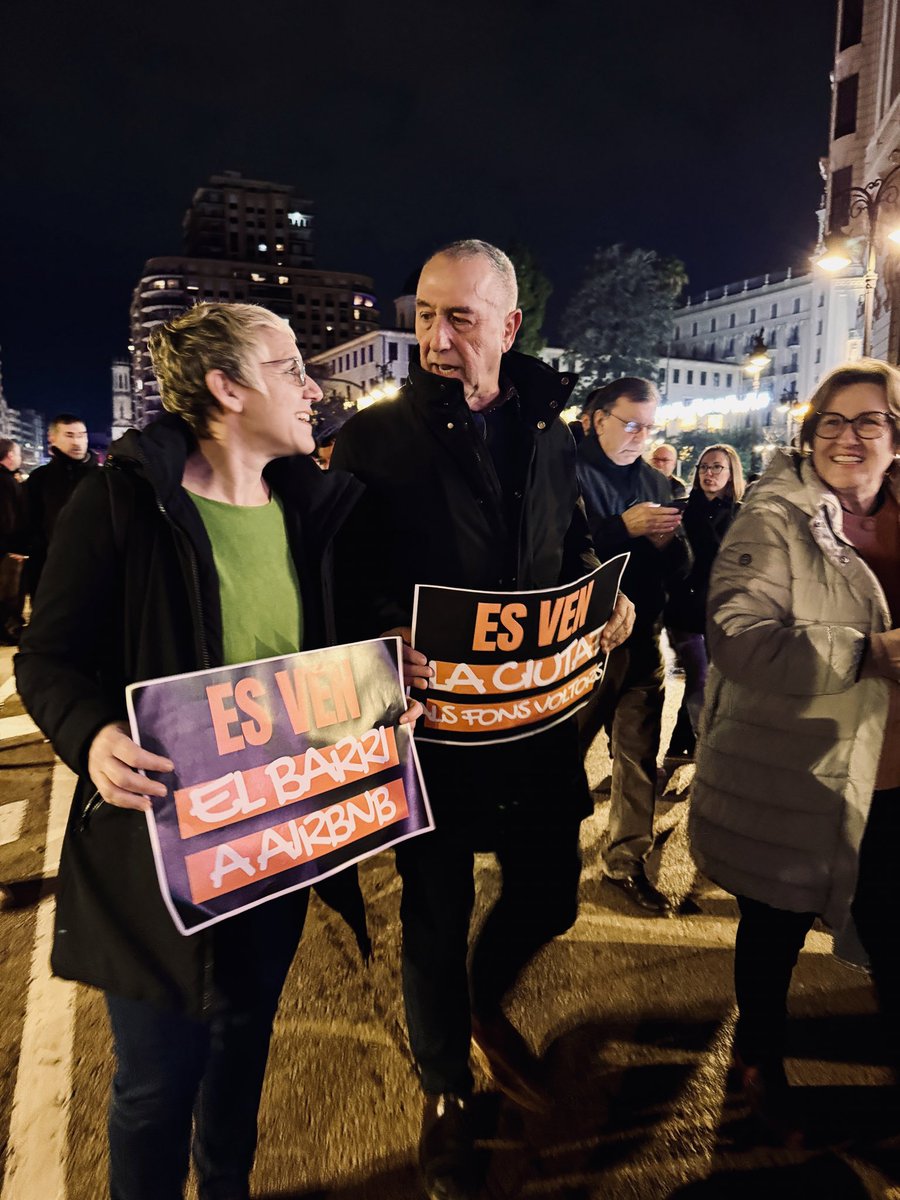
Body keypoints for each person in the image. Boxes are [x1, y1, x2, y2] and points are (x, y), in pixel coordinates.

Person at [15, 302, 425, 1200]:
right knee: (156, 1085)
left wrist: (388, 674)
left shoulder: (313, 509)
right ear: (226, 388)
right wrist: (91, 739)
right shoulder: (123, 501)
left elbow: (336, 653)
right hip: (156, 854)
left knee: (243, 1053)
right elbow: (47, 659)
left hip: (277, 844)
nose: (314, 387)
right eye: (291, 368)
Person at [331, 240, 635, 1200]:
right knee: (433, 913)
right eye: (424, 313)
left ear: (509, 326)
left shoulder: (552, 432)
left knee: (549, 896)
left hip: (538, 729)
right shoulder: (378, 439)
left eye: (458, 317)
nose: (434, 335)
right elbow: (340, 572)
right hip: (432, 734)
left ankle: (475, 1002)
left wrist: (605, 601)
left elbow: (572, 539)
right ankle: (447, 1100)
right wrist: (377, 631)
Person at [690, 360, 900, 1145]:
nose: (849, 437)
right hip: (794, 771)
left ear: (895, 435)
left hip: (892, 774)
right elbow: (738, 640)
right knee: (774, 927)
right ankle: (758, 1059)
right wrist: (866, 653)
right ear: (809, 435)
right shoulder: (774, 518)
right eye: (832, 422)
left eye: (869, 420)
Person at [576, 379, 692, 916]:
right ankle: (537, 854)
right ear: (598, 418)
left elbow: (681, 568)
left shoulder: (657, 481)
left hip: (641, 640)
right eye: (631, 424)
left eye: (649, 426)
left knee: (638, 758)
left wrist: (670, 545)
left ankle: (626, 862)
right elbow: (551, 546)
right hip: (577, 642)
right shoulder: (562, 469)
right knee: (559, 758)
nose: (641, 436)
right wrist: (622, 527)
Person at [663, 443, 744, 761]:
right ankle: (699, 745)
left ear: (731, 472)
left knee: (708, 678)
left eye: (717, 467)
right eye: (704, 467)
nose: (710, 473)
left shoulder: (742, 514)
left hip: (723, 610)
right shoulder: (679, 510)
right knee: (699, 675)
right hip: (686, 609)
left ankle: (681, 746)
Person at [25, 412, 99, 597]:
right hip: (52, 575)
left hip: (96, 574)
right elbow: (30, 526)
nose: (77, 442)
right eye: (69, 435)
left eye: (82, 435)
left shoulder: (102, 478)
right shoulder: (40, 479)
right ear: (53, 439)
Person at [0, 438, 27, 642]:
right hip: (7, 549)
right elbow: (9, 518)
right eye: (18, 454)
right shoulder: (6, 481)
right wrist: (15, 547)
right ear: (9, 456)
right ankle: (9, 631)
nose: (19, 458)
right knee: (9, 593)